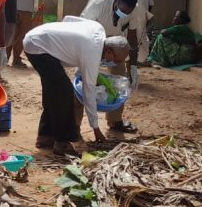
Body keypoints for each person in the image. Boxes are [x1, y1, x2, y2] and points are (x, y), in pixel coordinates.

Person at [23, 17, 131, 156]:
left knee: (53, 90)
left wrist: (63, 40)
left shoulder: (98, 28)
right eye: (116, 60)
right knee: (65, 92)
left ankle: (45, 136)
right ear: (109, 52)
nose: (115, 63)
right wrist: (95, 128)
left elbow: (68, 18)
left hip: (39, 37)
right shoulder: (93, 53)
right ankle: (63, 142)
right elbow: (89, 92)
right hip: (38, 47)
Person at [79, 0, 143, 133]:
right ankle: (74, 124)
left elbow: (132, 37)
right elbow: (83, 30)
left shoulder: (135, 10)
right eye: (122, 11)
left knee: (120, 78)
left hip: (115, 43)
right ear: (115, 2)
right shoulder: (97, 3)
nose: (124, 15)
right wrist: (91, 58)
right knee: (84, 81)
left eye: (128, 13)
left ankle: (115, 120)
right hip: (92, 40)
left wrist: (133, 65)